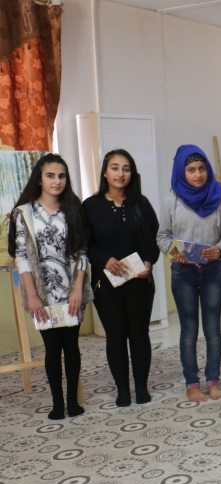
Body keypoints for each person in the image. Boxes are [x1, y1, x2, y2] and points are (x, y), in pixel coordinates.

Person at [8, 154, 91, 419]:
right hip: (42, 294)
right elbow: (22, 256)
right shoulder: (25, 213)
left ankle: (73, 402)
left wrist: (77, 289)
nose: (57, 181)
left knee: (72, 346)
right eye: (51, 176)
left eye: (62, 176)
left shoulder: (73, 208)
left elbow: (82, 251)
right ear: (39, 179)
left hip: (71, 291)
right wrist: (32, 296)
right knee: (52, 349)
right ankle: (57, 403)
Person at [83, 149, 160, 407]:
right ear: (105, 172)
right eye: (114, 168)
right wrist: (104, 259)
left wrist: (149, 261)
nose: (120, 174)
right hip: (106, 284)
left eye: (126, 169)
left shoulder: (142, 204)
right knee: (115, 335)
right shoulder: (90, 206)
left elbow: (155, 241)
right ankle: (122, 390)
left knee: (139, 334)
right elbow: (85, 245)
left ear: (132, 174)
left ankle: (141, 387)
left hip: (139, 282)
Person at [157, 145, 221, 403]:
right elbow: (162, 236)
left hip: (213, 271)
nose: (198, 175)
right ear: (181, 172)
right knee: (189, 331)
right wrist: (173, 252)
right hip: (184, 273)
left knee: (213, 329)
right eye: (191, 170)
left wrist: (220, 249)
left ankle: (213, 380)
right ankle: (192, 384)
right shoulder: (172, 199)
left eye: (201, 169)